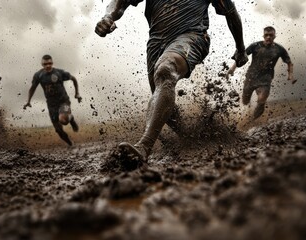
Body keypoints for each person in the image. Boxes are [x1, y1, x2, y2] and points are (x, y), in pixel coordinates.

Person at [95, 0, 248, 161]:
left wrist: (241, 49)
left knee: (165, 70)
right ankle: (189, 136)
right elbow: (120, 3)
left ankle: (144, 146)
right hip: (156, 43)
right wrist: (108, 17)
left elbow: (230, 12)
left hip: (192, 36)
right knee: (160, 99)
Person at [226, 26, 295, 120]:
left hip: (265, 79)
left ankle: (252, 119)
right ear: (263, 35)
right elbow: (241, 56)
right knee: (245, 101)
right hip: (251, 77)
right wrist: (232, 69)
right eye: (266, 35)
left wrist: (290, 75)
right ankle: (244, 114)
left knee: (261, 99)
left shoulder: (279, 49)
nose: (268, 37)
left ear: (274, 36)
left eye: (271, 35)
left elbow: (289, 63)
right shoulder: (255, 45)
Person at [24, 55, 82, 146]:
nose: (48, 66)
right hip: (51, 105)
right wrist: (28, 101)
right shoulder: (38, 75)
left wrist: (77, 93)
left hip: (63, 101)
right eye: (45, 64)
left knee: (63, 119)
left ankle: (71, 119)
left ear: (52, 63)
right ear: (42, 64)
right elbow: (32, 88)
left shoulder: (59, 73)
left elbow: (73, 79)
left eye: (49, 63)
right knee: (58, 130)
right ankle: (71, 144)